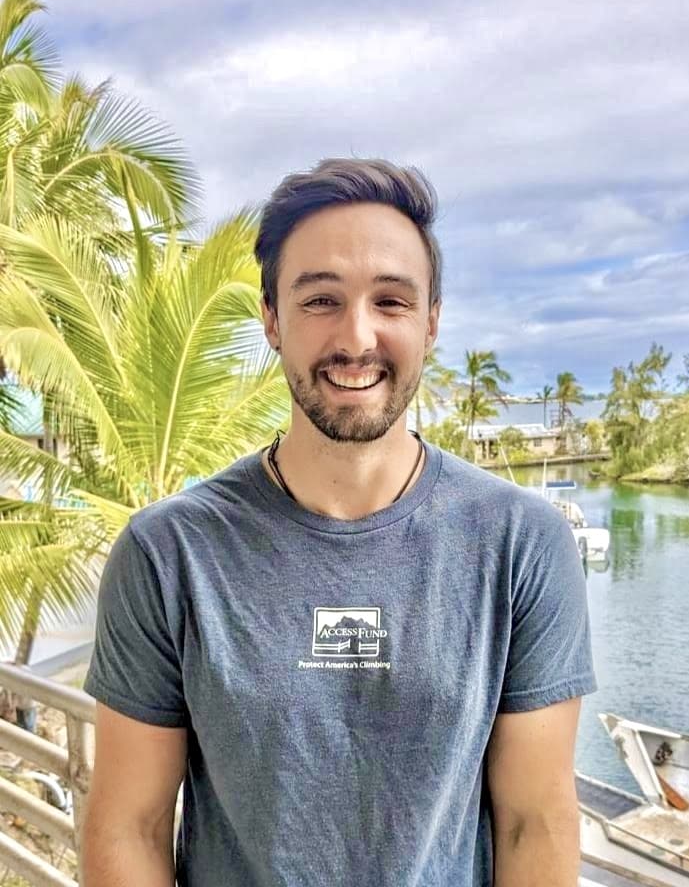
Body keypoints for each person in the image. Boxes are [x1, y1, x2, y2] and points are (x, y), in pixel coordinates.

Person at [80, 158, 597, 887]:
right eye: (321, 299)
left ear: (431, 322)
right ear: (270, 319)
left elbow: (532, 822)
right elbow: (128, 826)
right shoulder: (170, 552)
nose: (356, 337)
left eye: (390, 301)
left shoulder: (521, 544)